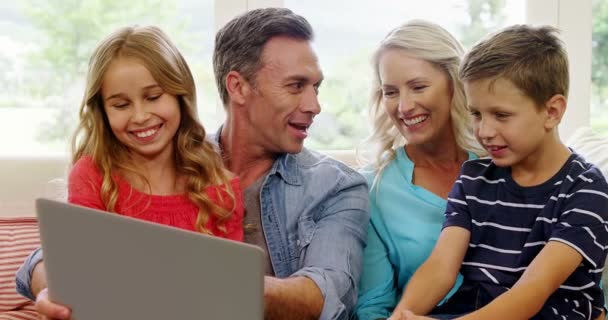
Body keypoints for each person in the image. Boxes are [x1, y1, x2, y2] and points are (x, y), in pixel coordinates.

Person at [19, 8, 370, 320]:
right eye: (296, 86)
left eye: (316, 88)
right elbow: (65, 253)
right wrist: (55, 283)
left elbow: (324, 296)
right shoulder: (155, 159)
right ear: (238, 87)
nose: (315, 106)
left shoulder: (335, 187)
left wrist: (169, 281)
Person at [15, 25, 244, 317]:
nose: (139, 116)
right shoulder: (93, 176)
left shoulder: (218, 186)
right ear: (103, 111)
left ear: (179, 94)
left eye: (153, 97)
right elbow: (81, 275)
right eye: (121, 104)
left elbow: (229, 295)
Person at [389, 25, 608, 320]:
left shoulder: (586, 188)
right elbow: (441, 266)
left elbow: (532, 290)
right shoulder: (473, 178)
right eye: (476, 114)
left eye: (501, 115)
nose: (484, 131)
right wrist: (403, 314)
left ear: (552, 112)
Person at [354, 20, 484, 320]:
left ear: (455, 83)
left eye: (418, 87)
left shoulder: (502, 162)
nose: (404, 107)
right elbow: (373, 308)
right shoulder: (373, 190)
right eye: (391, 92)